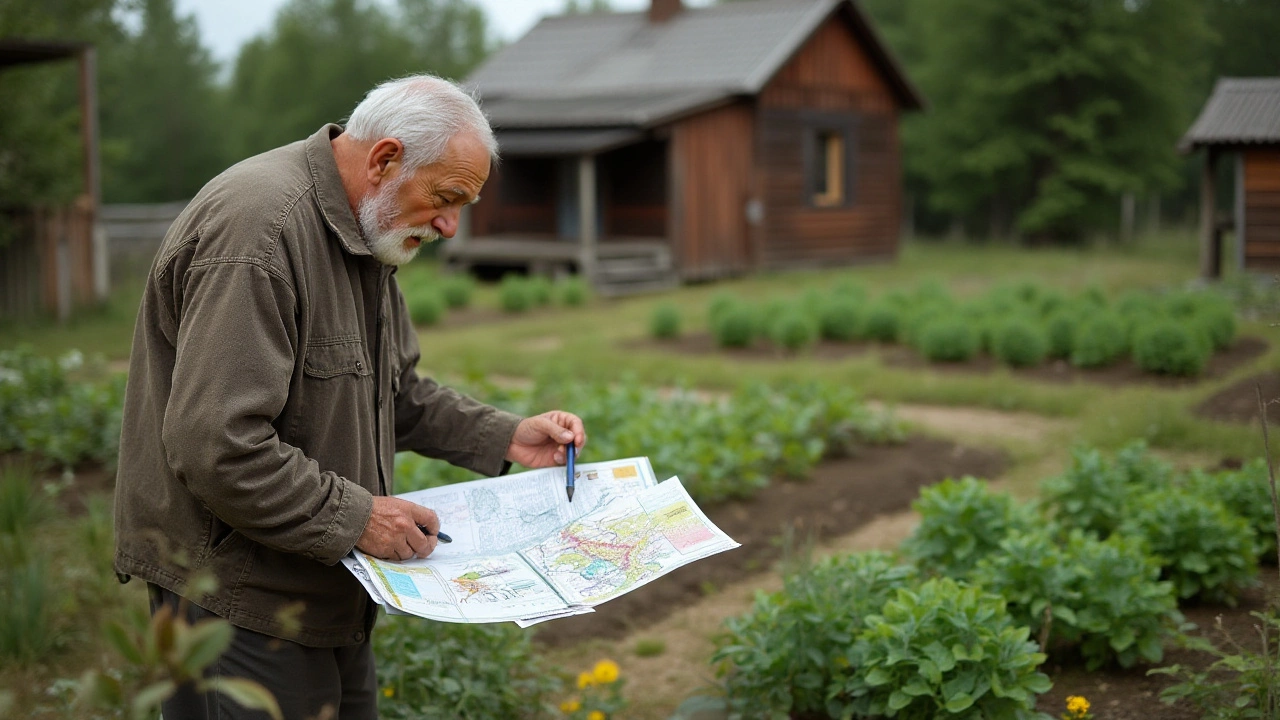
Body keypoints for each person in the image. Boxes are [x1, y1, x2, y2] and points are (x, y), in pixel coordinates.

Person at [113, 74, 586, 719]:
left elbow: (395, 388)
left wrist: (504, 435)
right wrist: (361, 518)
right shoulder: (259, 235)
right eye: (446, 198)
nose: (450, 226)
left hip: (324, 580)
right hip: (234, 598)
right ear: (385, 159)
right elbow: (216, 445)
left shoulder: (369, 230)